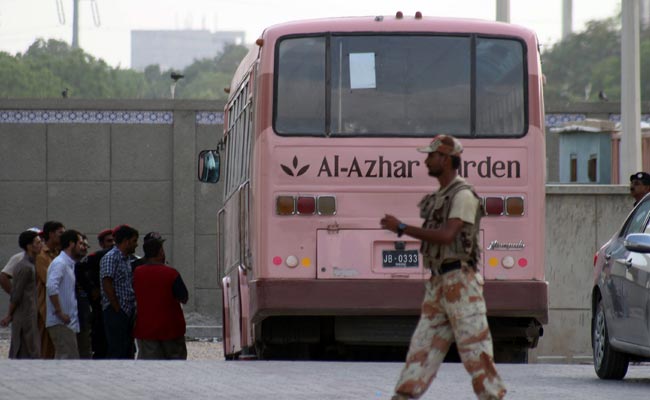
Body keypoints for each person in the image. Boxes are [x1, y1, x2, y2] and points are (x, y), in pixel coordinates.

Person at [380, 134, 506, 400]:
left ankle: (492, 396)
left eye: (431, 155)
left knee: (476, 351)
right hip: (439, 284)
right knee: (421, 350)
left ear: (446, 160)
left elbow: (448, 235)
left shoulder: (462, 195)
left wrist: (402, 228)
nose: (426, 160)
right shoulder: (442, 195)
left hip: (460, 284)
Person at [133, 232, 188, 359]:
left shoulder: (137, 272)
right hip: (171, 329)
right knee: (175, 365)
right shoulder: (171, 273)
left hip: (146, 329)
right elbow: (184, 297)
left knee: (150, 367)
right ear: (161, 253)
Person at [0, 230, 43, 358]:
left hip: (30, 310)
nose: (41, 245)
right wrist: (9, 315)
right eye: (38, 242)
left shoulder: (31, 264)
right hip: (25, 312)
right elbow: (16, 293)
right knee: (27, 347)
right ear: (30, 246)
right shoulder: (24, 266)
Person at [100, 224, 138, 359]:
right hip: (115, 311)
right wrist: (117, 308)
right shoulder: (111, 257)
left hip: (127, 311)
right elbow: (107, 282)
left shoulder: (128, 259)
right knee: (117, 350)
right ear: (126, 241)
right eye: (134, 241)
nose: (136, 245)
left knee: (128, 349)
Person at [46, 229, 85, 359]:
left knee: (68, 359)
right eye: (79, 243)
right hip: (60, 322)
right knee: (67, 360)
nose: (82, 246)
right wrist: (60, 312)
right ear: (71, 243)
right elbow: (51, 286)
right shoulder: (60, 263)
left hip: (67, 323)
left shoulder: (69, 264)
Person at [35, 220, 65, 359]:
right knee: (46, 346)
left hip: (60, 305)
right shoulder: (41, 255)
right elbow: (50, 281)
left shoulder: (60, 253)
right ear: (51, 234)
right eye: (60, 233)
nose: (63, 237)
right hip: (46, 307)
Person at [1, 228, 41, 294]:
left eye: (41, 238)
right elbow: (3, 277)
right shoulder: (19, 258)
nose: (41, 242)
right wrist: (13, 295)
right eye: (38, 241)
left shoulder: (45, 256)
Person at [74, 234, 93, 358]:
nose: (84, 248)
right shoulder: (66, 264)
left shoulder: (88, 267)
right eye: (82, 245)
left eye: (86, 246)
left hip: (85, 315)